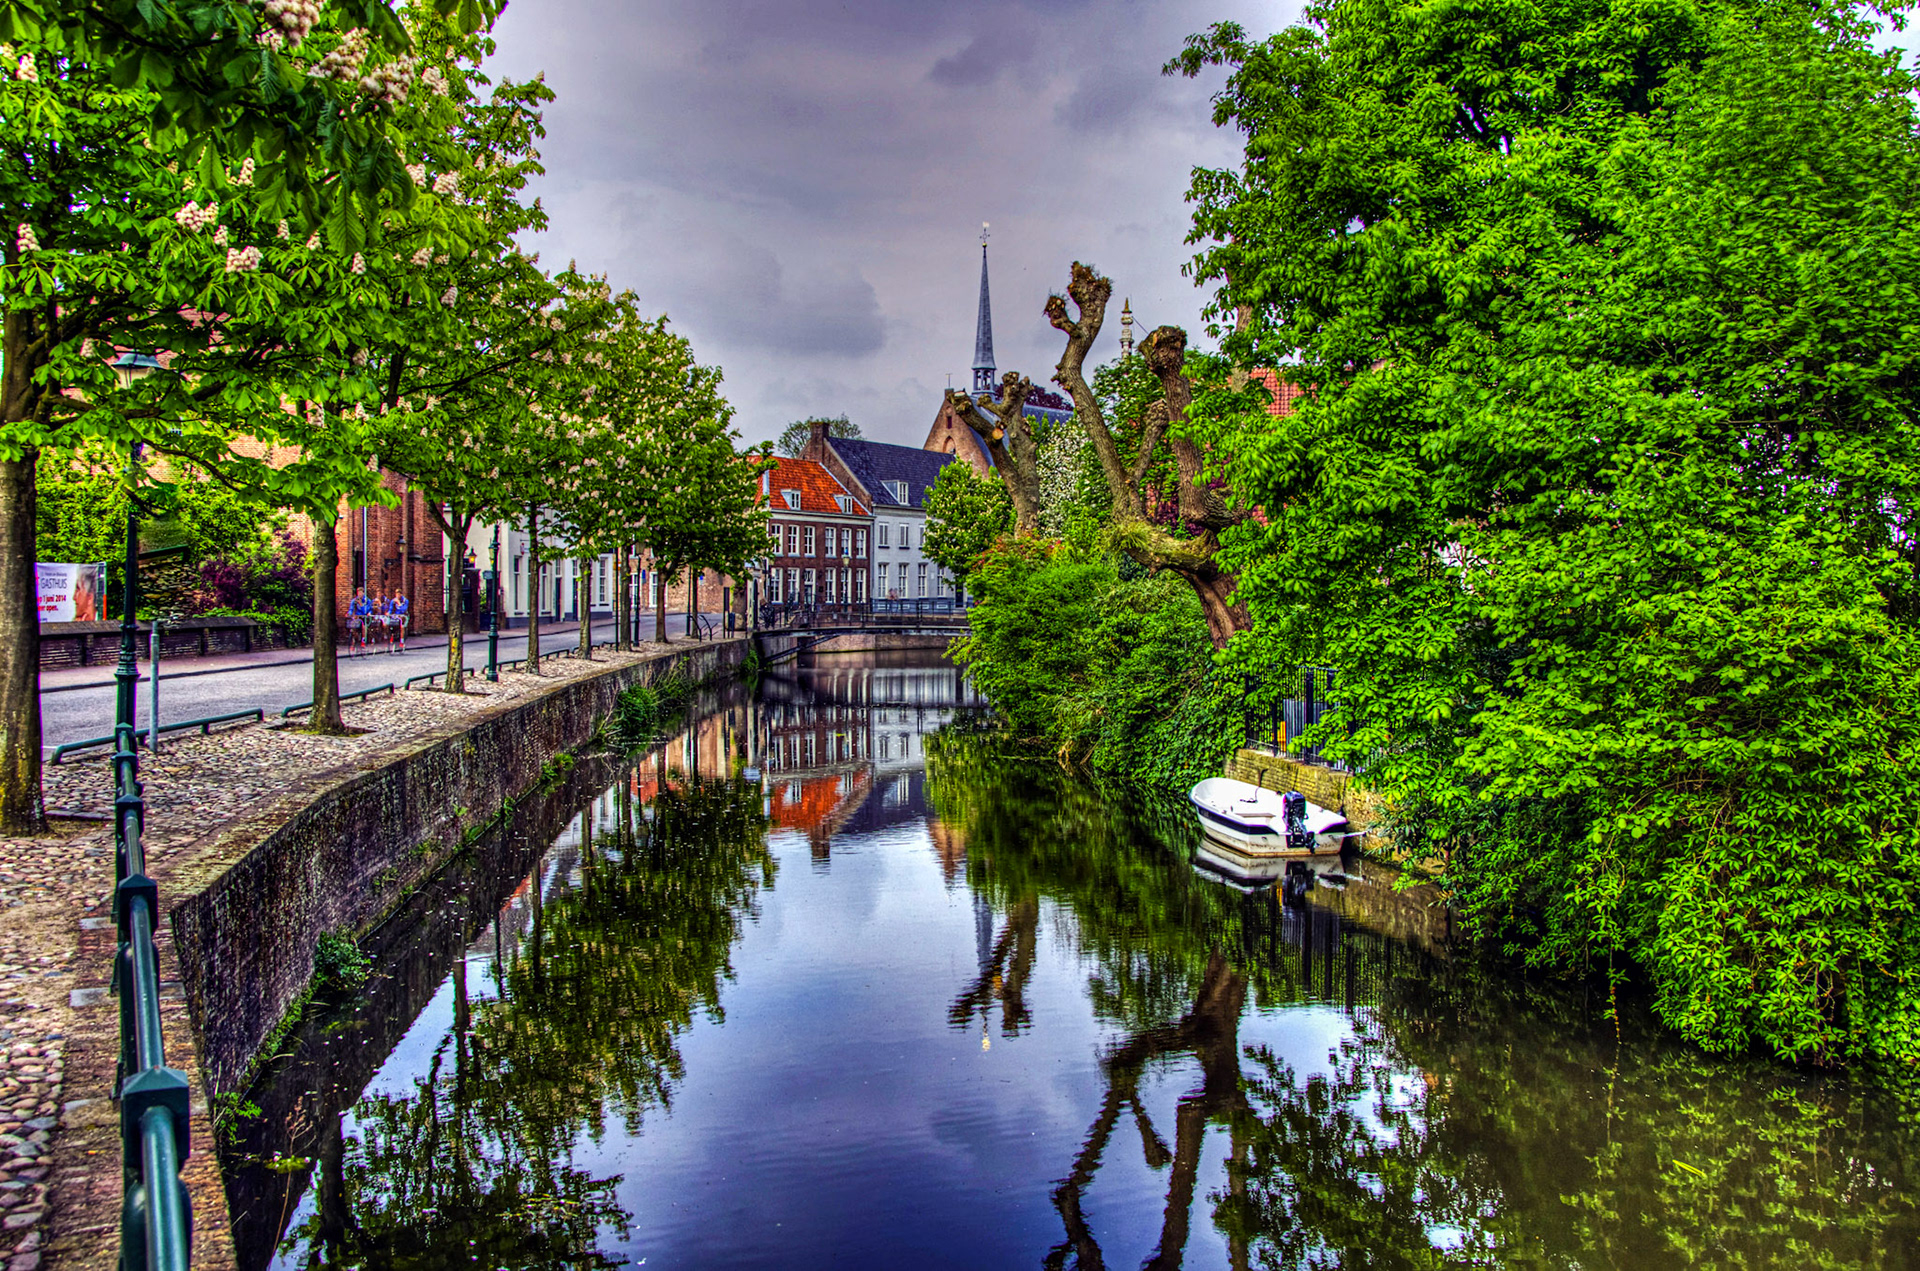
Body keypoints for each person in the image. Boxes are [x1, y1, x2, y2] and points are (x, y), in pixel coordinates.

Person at [348, 587, 371, 656]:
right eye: (358, 593)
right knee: (353, 628)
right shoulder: (354, 600)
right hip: (357, 617)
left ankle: (363, 641)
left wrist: (361, 604)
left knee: (363, 627)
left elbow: (365, 611)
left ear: (363, 593)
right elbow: (351, 609)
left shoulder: (367, 600)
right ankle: (353, 641)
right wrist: (349, 613)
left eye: (361, 592)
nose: (360, 594)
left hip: (364, 617)